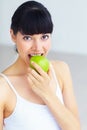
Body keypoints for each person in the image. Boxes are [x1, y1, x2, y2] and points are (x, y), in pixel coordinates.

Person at [0, 1, 81, 130]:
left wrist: (47, 93)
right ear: (13, 35)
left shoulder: (61, 70)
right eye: (28, 38)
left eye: (44, 36)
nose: (37, 48)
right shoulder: (3, 87)